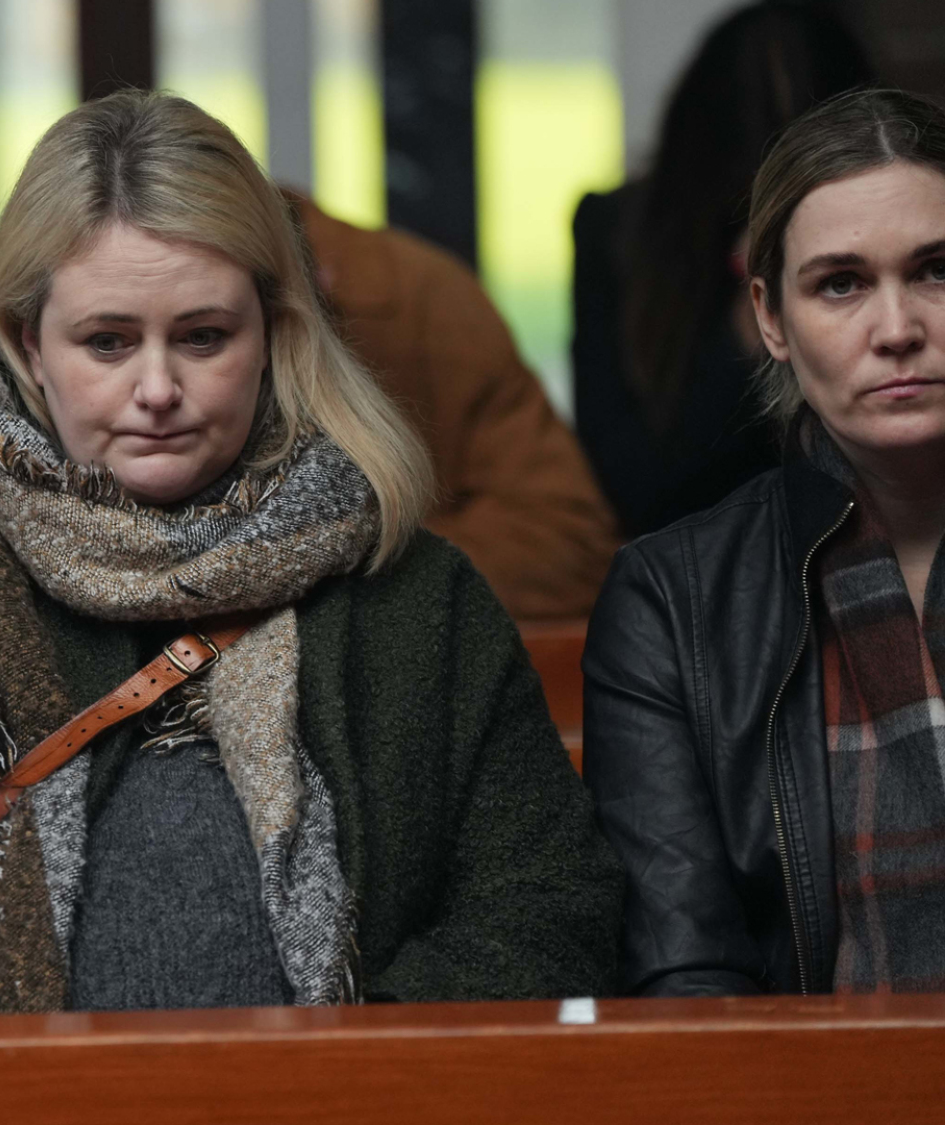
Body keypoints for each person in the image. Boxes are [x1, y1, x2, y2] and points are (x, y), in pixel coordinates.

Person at [0, 91, 621, 1019]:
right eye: (107, 341)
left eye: (203, 336)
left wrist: (352, 1067)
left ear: (273, 334)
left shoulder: (417, 597)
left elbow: (547, 901)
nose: (158, 389)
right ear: (29, 344)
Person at [586, 89, 945, 996]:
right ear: (772, 319)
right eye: (841, 283)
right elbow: (687, 976)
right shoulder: (674, 600)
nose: (898, 329)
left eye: (938, 270)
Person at [571, 4, 874, 538]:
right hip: (695, 558)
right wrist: (754, 305)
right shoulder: (620, 234)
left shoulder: (889, 230)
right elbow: (637, 489)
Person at [291, 190, 620, 620]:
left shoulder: (416, 296)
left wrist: (341, 569)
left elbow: (565, 543)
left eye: (205, 335)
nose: (169, 389)